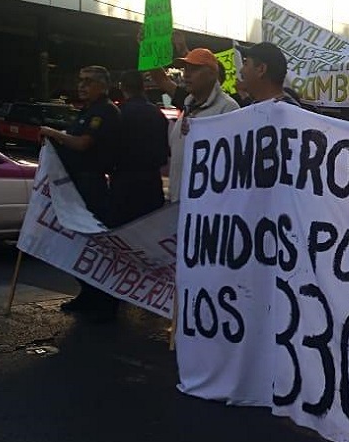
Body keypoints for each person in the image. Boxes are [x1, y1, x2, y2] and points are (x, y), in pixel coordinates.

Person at [39, 66, 122, 321]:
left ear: (102, 86)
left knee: (94, 243)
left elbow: (83, 143)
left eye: (88, 81)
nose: (82, 86)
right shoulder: (87, 111)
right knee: (77, 242)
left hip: (92, 185)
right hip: (77, 183)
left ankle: (105, 300)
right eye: (81, 81)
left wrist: (53, 133)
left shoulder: (104, 111)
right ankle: (88, 293)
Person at [167, 48, 239, 203]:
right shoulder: (188, 106)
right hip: (178, 202)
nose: (186, 74)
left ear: (212, 74)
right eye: (185, 69)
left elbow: (231, 162)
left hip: (206, 205)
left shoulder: (227, 108)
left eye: (194, 69)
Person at [110, 70, 168, 227]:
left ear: (122, 87)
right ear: (143, 87)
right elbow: (164, 151)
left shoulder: (118, 113)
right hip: (151, 183)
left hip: (124, 184)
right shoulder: (157, 113)